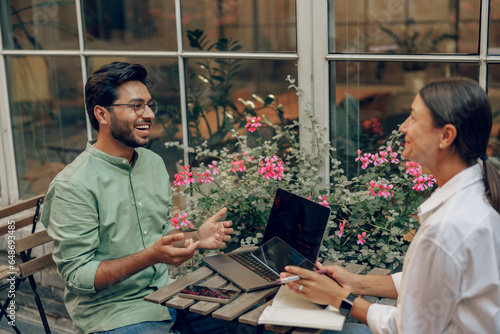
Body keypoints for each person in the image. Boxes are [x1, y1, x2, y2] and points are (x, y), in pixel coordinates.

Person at [281, 77, 500, 333]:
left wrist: (340, 299)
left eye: (414, 117)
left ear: (446, 136)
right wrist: (356, 282)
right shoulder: (478, 194)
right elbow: (430, 284)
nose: (403, 127)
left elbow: (409, 328)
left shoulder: (446, 228)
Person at [41, 61, 234, 334]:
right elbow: (77, 277)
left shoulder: (153, 164)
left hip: (167, 297)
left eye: (149, 104)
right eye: (136, 106)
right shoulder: (73, 186)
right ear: (102, 115)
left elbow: (161, 235)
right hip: (115, 314)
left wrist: (197, 237)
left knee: (251, 323)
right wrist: (150, 257)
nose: (149, 114)